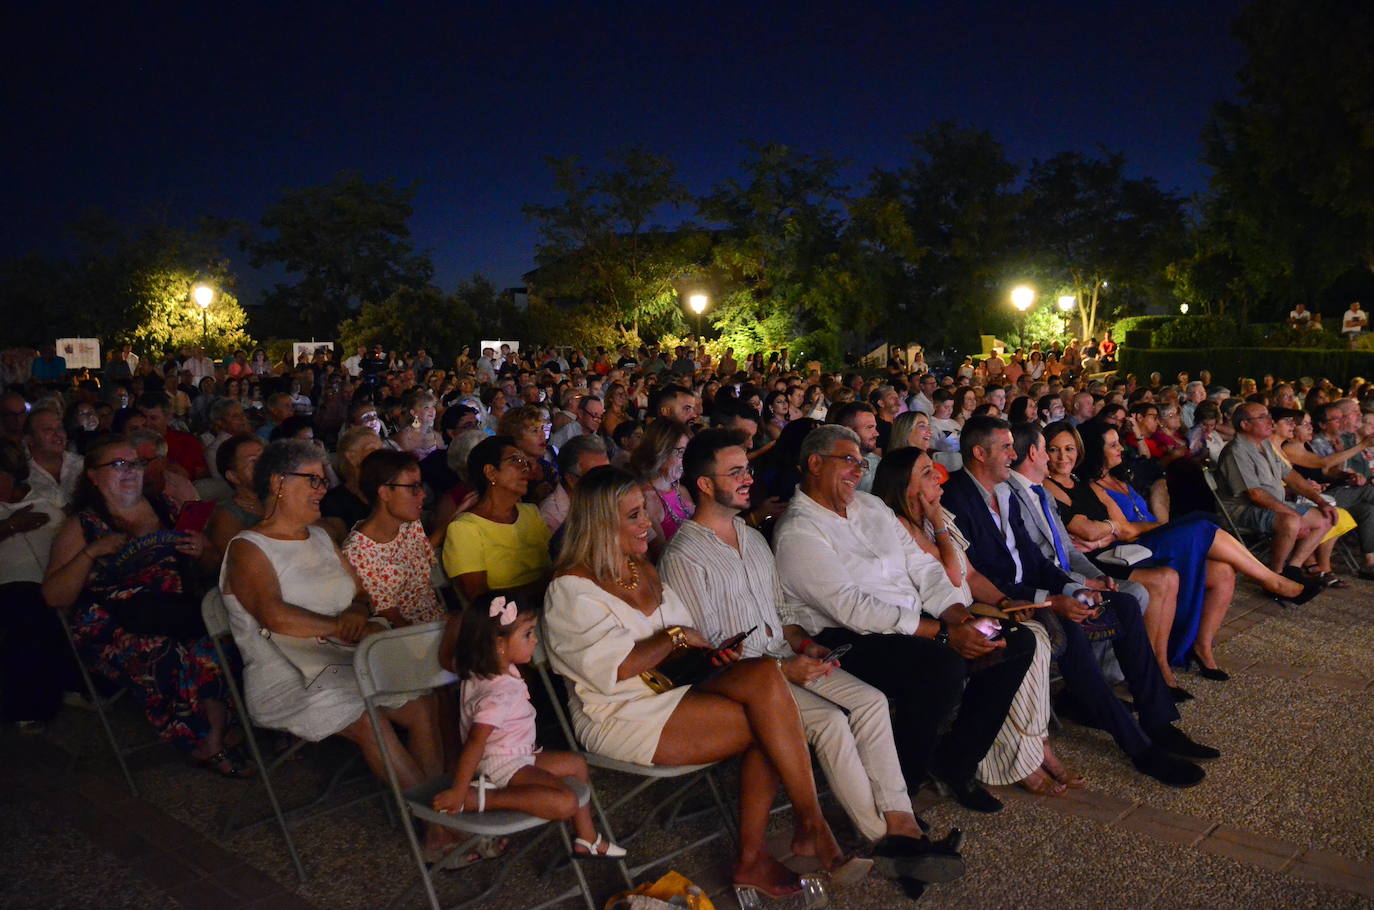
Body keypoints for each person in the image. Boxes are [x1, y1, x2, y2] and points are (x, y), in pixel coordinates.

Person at [661, 430, 965, 882]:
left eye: (747, 469)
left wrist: (805, 645)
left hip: (784, 656)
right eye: (736, 472)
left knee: (871, 701)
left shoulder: (751, 537)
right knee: (833, 721)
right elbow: (710, 652)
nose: (749, 478)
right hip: (745, 680)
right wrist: (784, 665)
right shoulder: (685, 554)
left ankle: (900, 822)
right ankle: (893, 839)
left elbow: (781, 614)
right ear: (705, 485)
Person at [543, 466, 857, 903]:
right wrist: (672, 639)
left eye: (644, 512)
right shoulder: (571, 590)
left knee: (766, 674)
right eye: (634, 516)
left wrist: (709, 655)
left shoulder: (641, 569)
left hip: (674, 686)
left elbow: (684, 637)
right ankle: (786, 838)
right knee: (771, 724)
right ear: (600, 524)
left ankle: (805, 826)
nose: (647, 523)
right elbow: (612, 669)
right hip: (621, 711)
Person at [772, 424, 1034, 814]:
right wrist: (944, 635)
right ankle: (901, 790)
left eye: (861, 462)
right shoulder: (799, 531)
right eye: (848, 461)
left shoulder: (872, 508)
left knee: (1013, 639)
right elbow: (853, 608)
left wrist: (960, 617)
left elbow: (923, 569)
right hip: (844, 638)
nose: (858, 470)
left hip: (911, 621)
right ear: (814, 463)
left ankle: (955, 761)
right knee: (939, 667)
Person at [935, 426, 1217, 785]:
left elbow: (1037, 561)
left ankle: (1158, 721)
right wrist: (1053, 601)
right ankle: (1139, 748)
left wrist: (1077, 587)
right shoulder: (957, 497)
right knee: (1069, 630)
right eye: (1006, 448)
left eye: (1013, 447)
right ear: (979, 454)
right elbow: (983, 577)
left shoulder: (1002, 494)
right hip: (1006, 604)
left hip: (1038, 589)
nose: (1013, 455)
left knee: (1126, 605)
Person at [220, 439, 459, 859]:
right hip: (287, 676)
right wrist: (345, 627)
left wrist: (356, 609)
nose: (322, 488)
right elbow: (273, 616)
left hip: (340, 660)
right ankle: (439, 830)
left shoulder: (319, 536)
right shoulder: (247, 548)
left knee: (422, 707)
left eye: (322, 479)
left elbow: (361, 592)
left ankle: (446, 812)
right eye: (312, 480)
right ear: (278, 483)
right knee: (369, 720)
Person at [42, 435, 249, 776]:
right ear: (93, 475)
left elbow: (211, 567)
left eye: (136, 464)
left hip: (173, 612)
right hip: (112, 625)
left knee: (218, 641)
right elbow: (53, 596)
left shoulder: (165, 507)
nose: (131, 471)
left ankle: (210, 734)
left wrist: (203, 551)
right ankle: (207, 739)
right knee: (168, 652)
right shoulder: (82, 525)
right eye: (118, 464)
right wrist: (91, 553)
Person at [1071, 419, 1318, 684]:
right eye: (1113, 445)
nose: (1121, 448)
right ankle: (1273, 580)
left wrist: (1156, 520)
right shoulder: (1094, 487)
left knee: (1223, 570)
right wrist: (1158, 525)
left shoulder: (1120, 479)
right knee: (1201, 525)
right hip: (1131, 552)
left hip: (1150, 538)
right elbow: (1126, 531)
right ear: (1096, 451)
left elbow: (1144, 518)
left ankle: (1202, 647)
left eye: (1119, 442)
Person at [431, 590, 624, 857]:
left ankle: (587, 838)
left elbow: (444, 659)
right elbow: (477, 741)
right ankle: (482, 799)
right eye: (527, 634)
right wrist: (459, 790)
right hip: (502, 764)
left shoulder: (477, 669)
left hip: (516, 754)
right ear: (499, 643)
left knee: (576, 764)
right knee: (566, 802)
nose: (535, 641)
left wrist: (456, 624)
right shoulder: (498, 693)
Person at [1218, 404, 1338, 581]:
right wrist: (1293, 515)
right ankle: (1275, 576)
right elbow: (1255, 495)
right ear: (1245, 425)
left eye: (1268, 416)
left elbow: (1290, 476)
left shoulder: (1264, 444)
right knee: (1290, 522)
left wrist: (1321, 502)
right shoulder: (1236, 451)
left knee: (1325, 517)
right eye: (1262, 417)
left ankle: (1293, 568)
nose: (1270, 421)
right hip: (1242, 511)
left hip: (1273, 506)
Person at [0, 438, 70, 730]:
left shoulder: (48, 504)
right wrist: (10, 527)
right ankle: (26, 705)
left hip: (51, 587)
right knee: (23, 602)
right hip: (11, 593)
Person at [442, 435, 552, 603]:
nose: (526, 468)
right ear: (491, 472)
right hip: (505, 621)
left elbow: (552, 565)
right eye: (515, 460)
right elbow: (479, 598)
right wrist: (543, 588)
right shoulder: (465, 528)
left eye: (525, 462)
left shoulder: (531, 513)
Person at [344, 449, 445, 627]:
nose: (423, 494)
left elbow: (424, 556)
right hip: (408, 637)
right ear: (384, 493)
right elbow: (392, 618)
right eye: (413, 488)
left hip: (437, 619)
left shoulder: (409, 524)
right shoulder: (357, 553)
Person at [628, 417, 694, 556]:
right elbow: (662, 555)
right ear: (661, 451)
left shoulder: (681, 489)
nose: (687, 460)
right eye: (681, 452)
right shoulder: (646, 498)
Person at [319, 427, 383, 542]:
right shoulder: (333, 502)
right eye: (373, 450)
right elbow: (344, 543)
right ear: (351, 457)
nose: (382, 455)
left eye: (381, 449)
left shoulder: (387, 491)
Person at [538, 434, 609, 535]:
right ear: (571, 479)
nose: (607, 482)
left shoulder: (608, 500)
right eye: (598, 477)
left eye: (609, 473)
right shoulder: (551, 516)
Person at [25, 407, 83, 507]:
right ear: (30, 439)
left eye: (60, 428)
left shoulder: (82, 465)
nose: (58, 434)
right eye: (48, 429)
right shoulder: (22, 474)